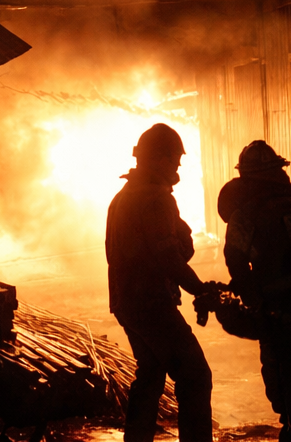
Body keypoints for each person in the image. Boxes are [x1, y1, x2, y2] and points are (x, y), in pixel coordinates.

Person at [217, 140, 291, 442]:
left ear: (245, 176)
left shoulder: (245, 214)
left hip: (284, 323)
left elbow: (236, 262)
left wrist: (251, 302)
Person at [105, 123, 213, 442]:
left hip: (127, 303)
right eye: (176, 161)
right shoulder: (155, 198)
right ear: (162, 160)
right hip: (151, 304)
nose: (178, 167)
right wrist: (201, 289)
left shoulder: (124, 196)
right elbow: (169, 256)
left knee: (150, 375)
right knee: (194, 375)